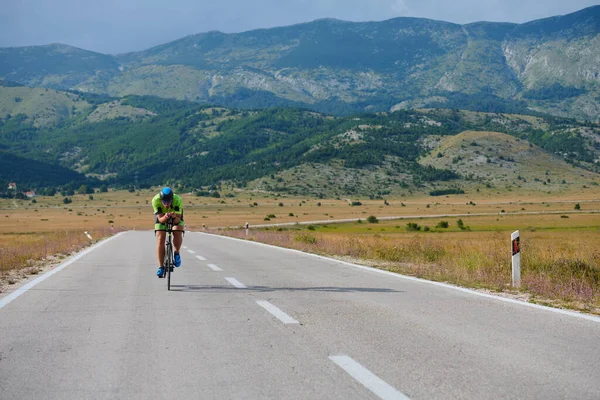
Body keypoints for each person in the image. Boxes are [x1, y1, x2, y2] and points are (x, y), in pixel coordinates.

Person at [152, 187, 184, 278]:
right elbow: (160, 220)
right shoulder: (155, 200)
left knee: (177, 230)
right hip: (162, 217)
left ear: (172, 200)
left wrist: (173, 217)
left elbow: (178, 220)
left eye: (168, 202)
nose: (166, 205)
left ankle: (176, 252)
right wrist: (166, 217)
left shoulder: (177, 200)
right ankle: (161, 266)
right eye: (164, 202)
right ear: (161, 200)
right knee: (160, 238)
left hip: (175, 217)